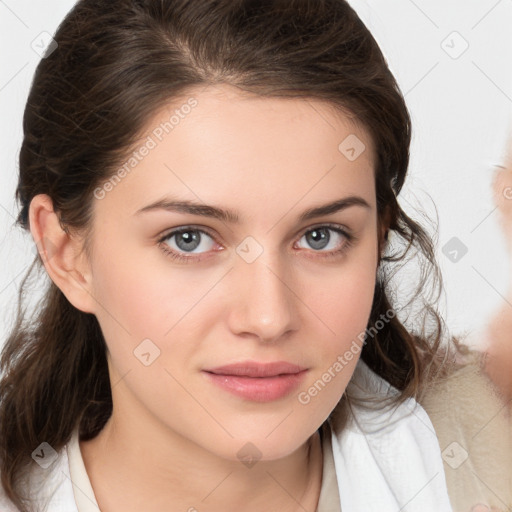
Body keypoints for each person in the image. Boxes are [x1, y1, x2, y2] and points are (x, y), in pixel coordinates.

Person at [0, 0, 463, 510]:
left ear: (377, 237)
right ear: (66, 252)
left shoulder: (485, 467)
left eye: (320, 236)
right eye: (189, 239)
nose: (268, 318)